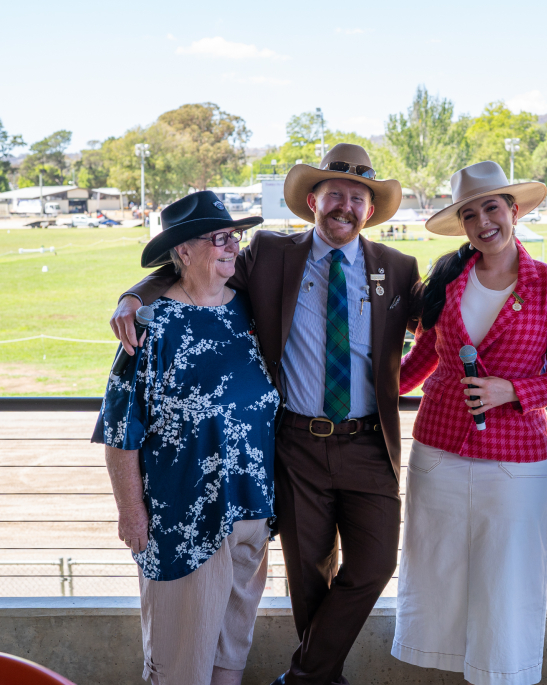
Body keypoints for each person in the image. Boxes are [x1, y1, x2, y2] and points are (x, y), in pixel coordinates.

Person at [109, 144, 419, 685]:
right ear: (312, 201)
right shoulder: (271, 254)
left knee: (375, 565)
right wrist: (133, 297)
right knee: (308, 577)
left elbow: (441, 326)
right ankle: (319, 679)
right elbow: (196, 270)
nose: (345, 207)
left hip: (368, 443)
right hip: (296, 445)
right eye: (334, 194)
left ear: (370, 210)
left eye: (357, 198)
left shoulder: (397, 267)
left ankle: (303, 677)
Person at [392, 161, 547, 685]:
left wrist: (512, 391)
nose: (483, 222)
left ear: (514, 211)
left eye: (492, 208)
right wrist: (362, 386)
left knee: (509, 582)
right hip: (438, 453)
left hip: (515, 460)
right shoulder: (445, 278)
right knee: (438, 578)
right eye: (470, 214)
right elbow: (421, 361)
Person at [94, 191, 280, 685]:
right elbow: (120, 430)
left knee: (230, 657)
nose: (232, 246)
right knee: (180, 665)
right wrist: (131, 512)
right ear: (183, 250)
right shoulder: (151, 326)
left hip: (251, 515)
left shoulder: (250, 312)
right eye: (219, 238)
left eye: (234, 236)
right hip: (183, 523)